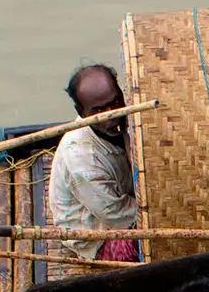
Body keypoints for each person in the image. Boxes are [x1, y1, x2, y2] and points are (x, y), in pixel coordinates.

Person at [47, 63, 140, 264]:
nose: (112, 114)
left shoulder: (125, 118)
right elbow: (117, 217)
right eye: (99, 110)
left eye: (116, 103)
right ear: (81, 112)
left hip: (121, 198)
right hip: (99, 234)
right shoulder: (82, 161)